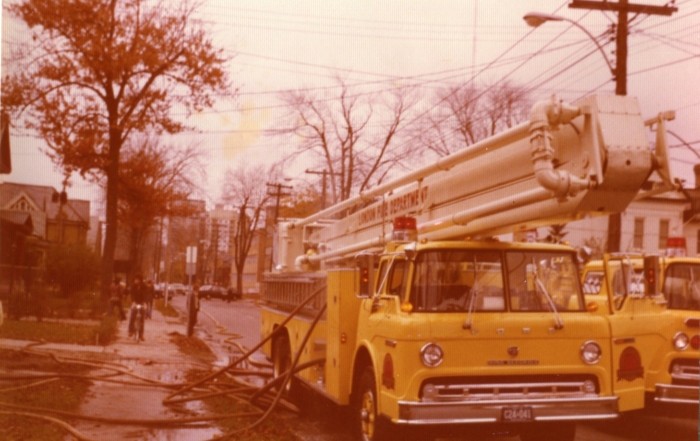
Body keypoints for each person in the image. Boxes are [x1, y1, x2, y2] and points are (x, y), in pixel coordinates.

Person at [128, 275, 148, 340]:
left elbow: (145, 294)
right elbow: (132, 294)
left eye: (137, 279)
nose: (135, 281)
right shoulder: (133, 286)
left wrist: (145, 302)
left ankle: (141, 334)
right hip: (135, 302)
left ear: (140, 280)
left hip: (142, 302)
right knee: (133, 315)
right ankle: (130, 331)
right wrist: (133, 302)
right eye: (135, 279)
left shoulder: (144, 286)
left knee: (142, 318)